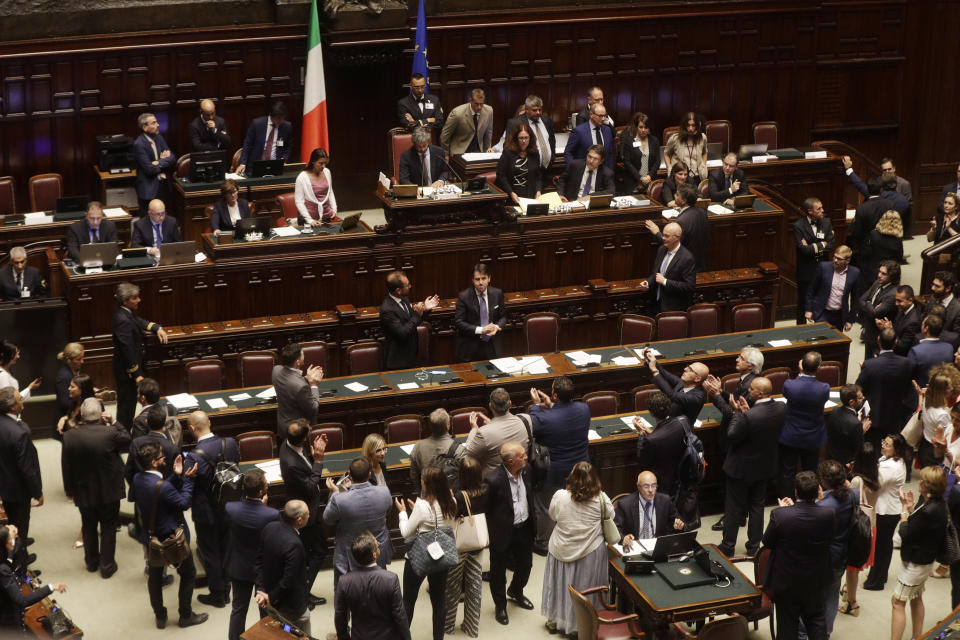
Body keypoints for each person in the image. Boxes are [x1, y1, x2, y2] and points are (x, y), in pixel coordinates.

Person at [704, 375, 783, 557]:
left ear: (760, 393)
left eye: (752, 389)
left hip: (740, 468)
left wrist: (738, 414)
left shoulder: (748, 416)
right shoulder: (781, 408)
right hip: (764, 466)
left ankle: (728, 546)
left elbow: (732, 435)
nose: (748, 391)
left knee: (733, 508)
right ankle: (754, 546)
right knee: (757, 506)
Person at [129, 441, 207, 629]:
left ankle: (160, 616)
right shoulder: (162, 486)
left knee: (155, 577)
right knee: (188, 574)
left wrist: (175, 475)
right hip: (173, 538)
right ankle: (186, 616)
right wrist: (187, 480)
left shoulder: (138, 479)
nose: (165, 457)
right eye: (162, 455)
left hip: (151, 537)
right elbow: (183, 503)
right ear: (155, 463)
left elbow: (149, 493)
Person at [541, 462, 614, 636]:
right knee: (586, 588)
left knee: (560, 585)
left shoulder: (560, 496)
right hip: (590, 551)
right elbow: (611, 516)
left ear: (571, 478)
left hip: (561, 547)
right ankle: (582, 626)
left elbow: (552, 515)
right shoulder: (602, 499)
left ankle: (554, 621)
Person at [761, 470, 835, 640]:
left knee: (787, 625)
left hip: (787, 582)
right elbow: (829, 538)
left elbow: (768, 542)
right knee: (816, 620)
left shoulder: (780, 515)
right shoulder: (829, 514)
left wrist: (785, 511)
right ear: (818, 490)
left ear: (795, 491)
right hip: (816, 580)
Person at [62, 397, 129, 578]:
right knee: (108, 526)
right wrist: (114, 422)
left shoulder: (69, 437)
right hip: (109, 490)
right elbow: (127, 439)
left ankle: (91, 563)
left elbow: (66, 466)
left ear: (82, 415)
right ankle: (107, 566)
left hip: (83, 491)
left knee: (88, 525)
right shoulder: (111, 433)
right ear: (101, 414)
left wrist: (69, 489)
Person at [527, 376, 591, 552]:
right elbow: (562, 415)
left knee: (545, 504)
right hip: (580, 467)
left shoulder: (543, 417)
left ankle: (542, 543)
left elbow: (534, 424)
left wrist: (536, 405)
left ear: (554, 395)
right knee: (578, 500)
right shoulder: (584, 409)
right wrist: (551, 406)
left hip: (553, 470)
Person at [395, 466, 457, 640]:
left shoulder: (422, 506)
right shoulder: (452, 501)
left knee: (408, 599)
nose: (420, 481)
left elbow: (406, 532)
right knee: (439, 600)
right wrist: (418, 511)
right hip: (442, 556)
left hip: (419, 557)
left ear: (428, 485)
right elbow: (440, 521)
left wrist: (402, 513)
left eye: (422, 479)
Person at [185, 410, 239, 608]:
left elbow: (189, 487)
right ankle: (227, 591)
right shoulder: (230, 443)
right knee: (226, 549)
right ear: (209, 422)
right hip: (228, 506)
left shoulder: (192, 457)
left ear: (192, 428)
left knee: (211, 553)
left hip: (205, 511)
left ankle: (217, 595)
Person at [324, 455, 393, 605]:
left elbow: (328, 519)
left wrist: (335, 492)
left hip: (349, 555)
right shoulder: (384, 492)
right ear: (370, 474)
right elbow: (388, 511)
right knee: (378, 593)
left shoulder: (340, 499)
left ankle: (343, 628)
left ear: (349, 475)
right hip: (377, 550)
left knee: (343, 597)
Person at [891, 466, 948, 640]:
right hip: (925, 560)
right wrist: (910, 509)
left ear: (929, 486)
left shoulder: (929, 509)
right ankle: (917, 636)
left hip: (916, 563)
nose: (919, 482)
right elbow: (920, 528)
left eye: (923, 481)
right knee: (916, 598)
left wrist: (903, 513)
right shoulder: (935, 503)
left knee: (897, 603)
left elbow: (906, 533)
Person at [279, 419, 328, 607]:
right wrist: (319, 459)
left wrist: (313, 450)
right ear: (302, 439)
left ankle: (301, 591)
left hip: (307, 507)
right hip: (305, 513)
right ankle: (302, 594)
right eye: (308, 435)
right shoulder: (291, 463)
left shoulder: (289, 443)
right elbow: (309, 486)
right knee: (317, 552)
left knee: (309, 554)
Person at [484, 442, 535, 626]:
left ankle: (516, 591)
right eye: (523, 455)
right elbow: (486, 510)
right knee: (498, 572)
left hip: (524, 528)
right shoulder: (493, 480)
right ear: (511, 461)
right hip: (502, 532)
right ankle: (500, 606)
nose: (527, 457)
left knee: (526, 565)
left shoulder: (527, 469)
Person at [224, 470, 279, 640]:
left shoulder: (230, 508)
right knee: (266, 610)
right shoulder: (271, 515)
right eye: (266, 484)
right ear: (262, 492)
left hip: (240, 566)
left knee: (239, 609)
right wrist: (264, 507)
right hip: (263, 569)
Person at [112, 282, 168, 431]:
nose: (139, 300)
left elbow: (139, 322)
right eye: (135, 298)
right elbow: (127, 350)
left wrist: (157, 328)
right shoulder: (122, 320)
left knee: (129, 404)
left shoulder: (125, 313)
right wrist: (136, 374)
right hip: (127, 372)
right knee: (126, 406)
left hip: (128, 370)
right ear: (125, 301)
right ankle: (123, 439)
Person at [334, 531, 410, 640]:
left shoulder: (344, 581)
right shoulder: (390, 579)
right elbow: (400, 616)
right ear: (375, 555)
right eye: (377, 546)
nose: (379, 547)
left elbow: (340, 616)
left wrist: (344, 637)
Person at [444, 456, 489, 637]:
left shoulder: (457, 497)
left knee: (452, 587)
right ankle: (471, 627)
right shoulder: (486, 490)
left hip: (458, 548)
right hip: (477, 545)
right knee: (474, 586)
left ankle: (447, 626)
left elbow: (448, 518)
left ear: (460, 475)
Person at [255, 500, 312, 636]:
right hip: (290, 608)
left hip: (267, 600)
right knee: (297, 634)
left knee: (275, 630)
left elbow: (258, 562)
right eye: (307, 514)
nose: (309, 516)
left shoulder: (269, 527)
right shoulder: (294, 544)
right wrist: (270, 597)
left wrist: (260, 589)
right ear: (299, 520)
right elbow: (288, 581)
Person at [817, 459, 860, 636]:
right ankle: (826, 632)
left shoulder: (822, 506)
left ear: (823, 482)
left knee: (816, 597)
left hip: (822, 558)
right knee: (832, 595)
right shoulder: (853, 495)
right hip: (842, 553)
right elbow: (851, 490)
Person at [778, 352, 830, 497]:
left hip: (791, 435)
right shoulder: (824, 388)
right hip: (813, 436)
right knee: (811, 470)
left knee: (788, 471)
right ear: (819, 367)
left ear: (801, 365)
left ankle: (787, 501)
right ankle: (809, 499)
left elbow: (790, 392)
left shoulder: (789, 385)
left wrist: (801, 374)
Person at [857, 328, 917, 449]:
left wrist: (865, 370)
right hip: (897, 417)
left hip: (875, 416)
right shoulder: (908, 364)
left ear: (878, 340)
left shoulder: (869, 364)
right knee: (893, 450)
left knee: (873, 450)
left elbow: (859, 388)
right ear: (896, 342)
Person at [863, 434, 908, 590]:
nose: (883, 445)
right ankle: (880, 576)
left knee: (881, 547)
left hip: (886, 511)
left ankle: (876, 581)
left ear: (896, 450)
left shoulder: (891, 466)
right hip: (890, 508)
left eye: (887, 445)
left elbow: (875, 485)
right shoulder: (890, 460)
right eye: (883, 442)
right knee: (884, 545)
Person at [0, 388, 42, 555]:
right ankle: (21, 571)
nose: (22, 401)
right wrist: (37, 492)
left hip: (4, 486)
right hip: (19, 491)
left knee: (12, 524)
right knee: (20, 532)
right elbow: (27, 469)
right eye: (19, 399)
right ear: (12, 407)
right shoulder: (19, 433)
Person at [0, 525, 66, 632]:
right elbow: (22, 600)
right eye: (12, 539)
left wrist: (10, 532)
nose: (15, 540)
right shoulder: (2, 570)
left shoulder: (3, 557)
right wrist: (52, 587)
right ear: (7, 544)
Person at [841, 442, 880, 617]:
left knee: (852, 569)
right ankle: (848, 592)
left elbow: (850, 504)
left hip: (857, 528)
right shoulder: (877, 476)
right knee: (855, 568)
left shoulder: (857, 481)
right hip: (871, 526)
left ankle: (852, 603)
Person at [379, 270, 439, 370]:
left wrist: (425, 310)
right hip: (398, 362)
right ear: (398, 290)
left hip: (411, 356)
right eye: (407, 285)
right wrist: (417, 315)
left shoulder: (404, 299)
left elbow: (414, 322)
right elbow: (403, 333)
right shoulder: (387, 310)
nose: (410, 286)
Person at [462, 387, 527, 474]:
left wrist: (474, 429)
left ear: (490, 406)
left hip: (494, 482)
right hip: (521, 473)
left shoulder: (484, 433)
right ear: (510, 404)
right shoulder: (525, 421)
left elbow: (467, 455)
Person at [635, 391, 687, 498]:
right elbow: (665, 435)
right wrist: (649, 432)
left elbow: (642, 459)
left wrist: (641, 434)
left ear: (651, 413)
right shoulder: (682, 422)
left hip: (661, 484)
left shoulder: (651, 440)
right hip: (681, 476)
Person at [645, 184, 710, 270]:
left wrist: (656, 232)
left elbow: (671, 245)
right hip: (700, 263)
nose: (674, 196)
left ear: (683, 201)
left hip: (684, 267)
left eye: (677, 195)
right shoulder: (702, 213)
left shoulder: (681, 221)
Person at [636, 222, 696, 314]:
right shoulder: (661, 250)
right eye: (663, 235)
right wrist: (647, 282)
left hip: (673, 309)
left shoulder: (687, 258)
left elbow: (689, 286)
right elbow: (656, 274)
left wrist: (665, 282)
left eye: (667, 236)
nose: (663, 238)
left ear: (677, 237)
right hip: (655, 304)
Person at [614, 470, 684, 548]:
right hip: (635, 546)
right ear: (638, 487)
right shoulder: (625, 504)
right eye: (646, 486)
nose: (651, 490)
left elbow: (678, 521)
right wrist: (624, 538)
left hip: (658, 546)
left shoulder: (665, 500)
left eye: (653, 486)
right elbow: (615, 529)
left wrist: (679, 525)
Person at [794, 197, 835, 324]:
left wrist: (811, 246)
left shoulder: (827, 222)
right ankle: (800, 332)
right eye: (819, 209)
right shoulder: (798, 226)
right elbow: (803, 250)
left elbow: (831, 245)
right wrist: (821, 244)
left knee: (822, 301)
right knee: (803, 304)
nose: (822, 210)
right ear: (810, 211)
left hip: (823, 269)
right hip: (806, 270)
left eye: (822, 207)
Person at [454, 264, 506, 362]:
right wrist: (481, 330)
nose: (480, 282)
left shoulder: (497, 293)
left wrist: (496, 326)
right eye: (477, 279)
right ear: (473, 280)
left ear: (489, 278)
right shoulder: (464, 296)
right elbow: (459, 322)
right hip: (471, 347)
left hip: (492, 346)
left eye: (483, 278)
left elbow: (503, 317)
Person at [272, 342, 324, 442]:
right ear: (298, 362)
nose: (304, 356)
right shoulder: (301, 387)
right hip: (298, 432)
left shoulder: (276, 370)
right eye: (303, 355)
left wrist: (307, 378)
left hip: (282, 425)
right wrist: (314, 385)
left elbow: (291, 383)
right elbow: (313, 409)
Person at [644, 350, 708, 426]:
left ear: (697, 378)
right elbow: (665, 373)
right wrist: (651, 359)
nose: (685, 369)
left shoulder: (697, 397)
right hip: (668, 424)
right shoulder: (682, 383)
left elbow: (671, 395)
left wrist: (654, 371)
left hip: (680, 433)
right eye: (688, 366)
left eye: (690, 370)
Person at [804, 245, 860, 331]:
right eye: (834, 257)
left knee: (836, 341)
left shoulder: (855, 273)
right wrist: (809, 309)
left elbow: (855, 299)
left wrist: (850, 320)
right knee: (820, 339)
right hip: (822, 312)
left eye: (839, 259)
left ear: (848, 260)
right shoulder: (823, 267)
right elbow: (811, 289)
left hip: (839, 315)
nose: (835, 260)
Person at [132, 112, 176, 214]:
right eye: (154, 123)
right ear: (144, 127)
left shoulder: (159, 138)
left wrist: (158, 162)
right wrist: (164, 161)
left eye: (156, 122)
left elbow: (172, 158)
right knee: (148, 221)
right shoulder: (139, 144)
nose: (158, 125)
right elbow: (149, 169)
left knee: (164, 218)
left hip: (164, 185)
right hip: (149, 189)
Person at [917, 365, 959, 468]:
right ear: (942, 390)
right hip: (935, 452)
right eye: (949, 387)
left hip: (924, 445)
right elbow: (948, 434)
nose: (952, 388)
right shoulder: (942, 415)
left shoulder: (927, 399)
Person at [236, 101, 293, 175]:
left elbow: (288, 146)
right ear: (271, 116)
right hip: (255, 166)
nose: (281, 121)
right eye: (279, 118)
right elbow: (247, 144)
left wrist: (283, 160)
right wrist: (243, 163)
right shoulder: (257, 124)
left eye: (283, 118)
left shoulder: (287, 126)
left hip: (276, 167)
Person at [500, 94, 555, 170]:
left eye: (540, 109)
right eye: (534, 110)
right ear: (526, 109)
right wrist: (520, 166)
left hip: (547, 168)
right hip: (526, 170)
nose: (538, 112)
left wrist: (552, 158)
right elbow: (508, 147)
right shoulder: (515, 123)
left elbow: (552, 141)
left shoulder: (547, 121)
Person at [858, 260, 900, 358]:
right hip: (869, 333)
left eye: (883, 273)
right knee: (867, 363)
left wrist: (868, 303)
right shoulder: (877, 283)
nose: (879, 275)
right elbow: (861, 300)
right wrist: (871, 306)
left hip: (880, 337)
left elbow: (875, 313)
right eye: (879, 272)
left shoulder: (892, 294)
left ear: (892, 276)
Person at [495, 123, 542, 204]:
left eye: (526, 138)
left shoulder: (534, 153)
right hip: (511, 195)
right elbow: (501, 175)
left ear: (530, 138)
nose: (524, 141)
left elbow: (538, 176)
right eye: (521, 138)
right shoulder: (508, 152)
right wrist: (511, 193)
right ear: (516, 139)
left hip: (530, 196)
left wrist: (538, 191)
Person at [410, 408, 457, 487]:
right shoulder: (458, 448)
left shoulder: (418, 447)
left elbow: (414, 477)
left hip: (428, 494)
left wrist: (422, 494)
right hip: (451, 495)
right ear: (448, 426)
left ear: (430, 427)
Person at [617, 111, 661, 195]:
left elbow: (657, 161)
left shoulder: (654, 140)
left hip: (650, 181)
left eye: (646, 127)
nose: (643, 130)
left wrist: (649, 176)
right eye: (641, 127)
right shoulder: (629, 140)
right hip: (633, 181)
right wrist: (640, 179)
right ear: (636, 127)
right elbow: (627, 162)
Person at [440, 88, 493, 157]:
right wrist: (445, 154)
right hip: (460, 152)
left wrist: (487, 150)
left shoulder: (489, 111)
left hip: (479, 152)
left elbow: (488, 133)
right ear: (470, 101)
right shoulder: (457, 113)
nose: (479, 107)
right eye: (477, 104)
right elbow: (445, 136)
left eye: (481, 104)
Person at [848, 177, 895, 254]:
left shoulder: (861, 208)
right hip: (886, 244)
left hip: (867, 247)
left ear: (868, 190)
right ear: (881, 190)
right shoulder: (890, 204)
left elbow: (857, 232)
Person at [826, 384, 870, 465]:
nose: (863, 398)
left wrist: (856, 420)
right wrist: (861, 431)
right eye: (860, 398)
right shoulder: (855, 424)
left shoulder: (834, 410)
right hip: (846, 461)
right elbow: (859, 447)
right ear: (852, 402)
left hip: (831, 454)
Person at [294, 147, 339, 225]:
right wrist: (310, 220)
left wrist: (334, 209)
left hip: (327, 216)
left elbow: (330, 191)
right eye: (320, 163)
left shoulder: (327, 172)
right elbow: (299, 202)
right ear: (313, 161)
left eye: (325, 163)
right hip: (309, 219)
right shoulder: (302, 177)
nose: (323, 166)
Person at [861, 210, 904, 289]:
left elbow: (865, 254)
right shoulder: (898, 239)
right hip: (891, 272)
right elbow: (899, 257)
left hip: (874, 270)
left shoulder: (873, 234)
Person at [563, 103, 614, 170]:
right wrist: (573, 170)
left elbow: (609, 154)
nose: (603, 119)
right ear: (591, 115)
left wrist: (610, 171)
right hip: (584, 172)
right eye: (600, 116)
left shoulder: (607, 130)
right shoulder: (579, 131)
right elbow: (568, 153)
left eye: (604, 116)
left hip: (603, 174)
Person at [909, 316, 955, 387]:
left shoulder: (915, 351)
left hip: (920, 392)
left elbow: (908, 374)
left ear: (926, 329)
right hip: (942, 392)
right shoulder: (949, 348)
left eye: (923, 323)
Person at [664, 111, 708, 181]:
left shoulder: (703, 138)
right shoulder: (675, 138)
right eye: (688, 125)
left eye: (693, 125)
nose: (690, 128)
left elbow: (705, 152)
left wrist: (703, 166)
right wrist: (669, 168)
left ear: (697, 125)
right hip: (681, 177)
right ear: (684, 125)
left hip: (697, 176)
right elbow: (666, 154)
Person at [131, 377, 177, 441]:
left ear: (143, 398)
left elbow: (137, 445)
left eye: (138, 393)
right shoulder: (167, 409)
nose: (137, 395)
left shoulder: (140, 421)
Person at [881, 285, 923, 356]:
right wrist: (884, 327)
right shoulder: (902, 310)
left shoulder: (913, 322)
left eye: (899, 301)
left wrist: (890, 330)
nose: (896, 304)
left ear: (910, 300)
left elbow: (903, 347)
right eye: (896, 300)